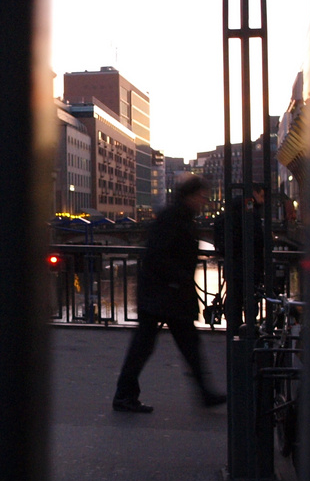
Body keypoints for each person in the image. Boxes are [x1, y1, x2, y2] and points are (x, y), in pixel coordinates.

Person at [112, 176, 227, 413]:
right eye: (201, 196)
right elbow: (158, 255)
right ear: (190, 195)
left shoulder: (180, 217)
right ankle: (125, 395)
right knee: (152, 346)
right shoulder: (173, 218)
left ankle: (203, 393)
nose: (204, 201)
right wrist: (179, 277)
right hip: (163, 294)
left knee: (177, 345)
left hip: (167, 294)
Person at [214, 184, 266, 331]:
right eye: (261, 195)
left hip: (232, 265)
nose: (263, 200)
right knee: (250, 301)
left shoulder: (233, 208)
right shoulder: (249, 208)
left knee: (234, 301)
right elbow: (256, 237)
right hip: (248, 265)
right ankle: (247, 334)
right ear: (254, 193)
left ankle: (234, 333)